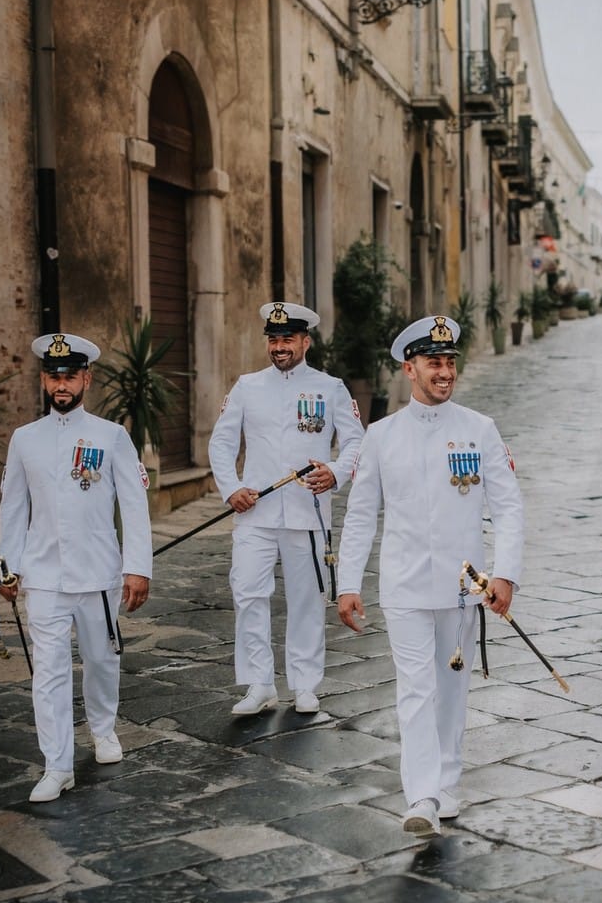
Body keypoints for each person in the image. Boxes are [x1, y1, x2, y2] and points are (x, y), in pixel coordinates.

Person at [337, 315, 524, 835]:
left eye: (449, 362)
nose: (445, 372)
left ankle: (446, 782)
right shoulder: (381, 436)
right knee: (415, 689)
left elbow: (508, 507)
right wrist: (348, 583)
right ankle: (420, 796)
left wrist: (505, 574)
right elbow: (360, 514)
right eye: (433, 363)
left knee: (451, 689)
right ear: (410, 368)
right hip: (403, 586)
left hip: (463, 590)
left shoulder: (479, 430)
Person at [0, 332, 152, 802]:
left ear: (86, 378)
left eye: (69, 376)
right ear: (44, 381)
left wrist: (137, 567)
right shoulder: (25, 439)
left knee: (102, 660)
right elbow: (12, 509)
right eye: (52, 376)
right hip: (44, 577)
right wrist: (7, 568)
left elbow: (134, 504)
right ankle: (57, 764)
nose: (61, 385)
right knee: (48, 671)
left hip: (99, 572)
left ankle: (103, 729)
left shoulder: (111, 436)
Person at [208, 301, 363, 717]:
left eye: (288, 339)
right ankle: (259, 684)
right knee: (249, 594)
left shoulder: (330, 388)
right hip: (254, 511)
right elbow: (221, 443)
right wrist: (231, 488)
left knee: (307, 598)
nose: (280, 347)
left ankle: (305, 683)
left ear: (305, 341)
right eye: (274, 339)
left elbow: (355, 442)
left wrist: (334, 472)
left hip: (306, 511)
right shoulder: (246, 386)